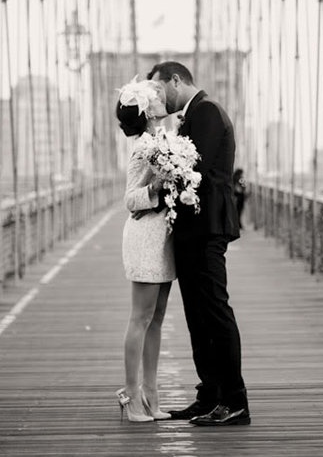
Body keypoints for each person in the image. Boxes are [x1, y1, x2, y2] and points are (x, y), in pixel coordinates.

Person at [148, 61, 250, 427]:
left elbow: (197, 172)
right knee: (197, 316)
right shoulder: (193, 114)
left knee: (214, 312)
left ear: (176, 80)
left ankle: (234, 400)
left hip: (206, 228)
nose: (157, 99)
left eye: (159, 90)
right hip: (193, 230)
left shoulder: (206, 111)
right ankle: (209, 395)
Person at [115, 77, 181, 423]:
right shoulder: (144, 146)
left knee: (155, 320)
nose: (162, 98)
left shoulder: (164, 140)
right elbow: (129, 199)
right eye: (155, 97)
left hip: (164, 238)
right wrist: (155, 187)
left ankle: (152, 396)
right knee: (140, 318)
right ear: (148, 111)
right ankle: (131, 397)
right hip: (144, 237)